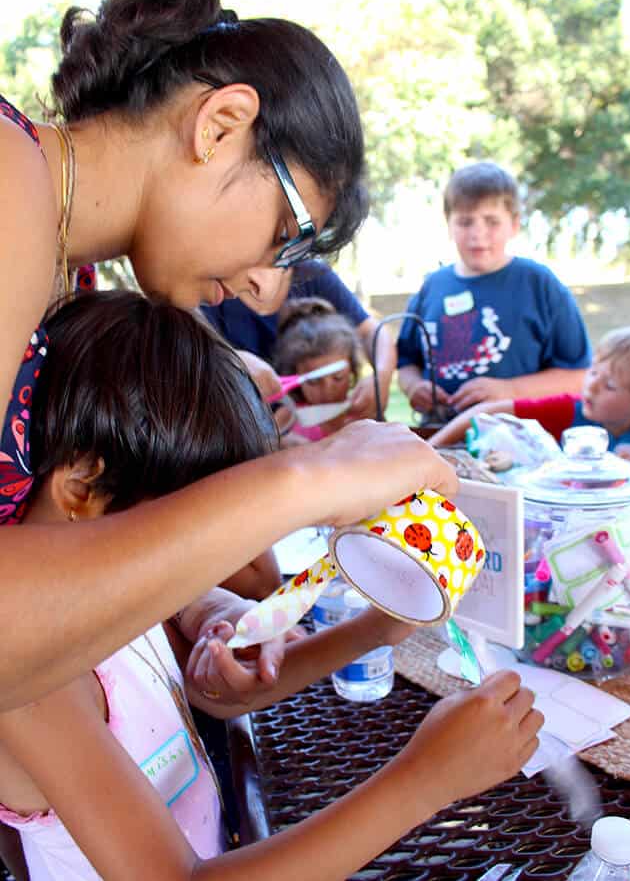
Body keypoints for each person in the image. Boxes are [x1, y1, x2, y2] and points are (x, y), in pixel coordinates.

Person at [0, 0, 457, 713]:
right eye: (286, 233)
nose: (264, 287)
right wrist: (308, 477)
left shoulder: (61, 269)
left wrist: (201, 605)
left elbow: (44, 563)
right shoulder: (6, 178)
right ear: (220, 125)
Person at [0, 290, 543, 881]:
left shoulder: (107, 588)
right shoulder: (33, 685)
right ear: (83, 487)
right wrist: (427, 779)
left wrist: (377, 629)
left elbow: (213, 695)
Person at [397, 161, 591, 421]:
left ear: (514, 224)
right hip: (439, 438)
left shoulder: (539, 284)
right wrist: (413, 387)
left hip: (521, 443)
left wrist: (509, 391)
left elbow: (579, 377)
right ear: (449, 223)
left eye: (492, 222)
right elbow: (407, 363)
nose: (478, 234)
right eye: (465, 222)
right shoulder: (431, 287)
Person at [202, 259, 397, 419]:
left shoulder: (313, 274)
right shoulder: (206, 291)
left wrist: (381, 377)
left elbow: (372, 332)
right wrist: (232, 361)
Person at [430, 325, 630, 461]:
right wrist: (431, 449)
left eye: (609, 385)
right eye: (593, 373)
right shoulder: (571, 410)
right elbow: (486, 413)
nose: (591, 387)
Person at [272, 296, 362, 442]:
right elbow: (262, 448)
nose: (327, 390)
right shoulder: (289, 416)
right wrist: (280, 445)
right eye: (313, 381)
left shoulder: (362, 413)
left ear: (352, 370)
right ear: (295, 375)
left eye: (338, 377)